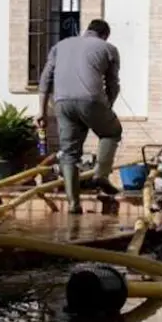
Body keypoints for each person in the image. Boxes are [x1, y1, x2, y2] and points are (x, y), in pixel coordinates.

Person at [37, 18, 123, 214]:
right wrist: (108, 106)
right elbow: (113, 84)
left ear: (87, 31)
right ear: (105, 35)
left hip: (62, 103)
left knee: (68, 153)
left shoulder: (60, 45)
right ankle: (101, 175)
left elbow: (45, 78)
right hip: (92, 100)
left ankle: (73, 204)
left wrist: (41, 111)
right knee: (112, 131)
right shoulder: (108, 48)